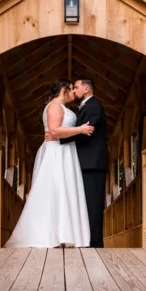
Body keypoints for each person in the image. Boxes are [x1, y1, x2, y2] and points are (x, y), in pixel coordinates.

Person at [4, 79, 94, 248]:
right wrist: (80, 129)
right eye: (71, 89)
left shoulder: (63, 108)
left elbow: (57, 132)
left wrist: (69, 133)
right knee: (55, 189)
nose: (74, 93)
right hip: (56, 153)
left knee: (63, 190)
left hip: (65, 151)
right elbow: (54, 131)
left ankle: (64, 233)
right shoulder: (54, 106)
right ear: (62, 90)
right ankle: (53, 234)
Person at [48, 78, 108, 248]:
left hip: (92, 163)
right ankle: (86, 239)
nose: (74, 91)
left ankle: (95, 242)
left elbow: (86, 132)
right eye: (72, 88)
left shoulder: (94, 106)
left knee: (93, 204)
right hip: (85, 163)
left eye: (76, 87)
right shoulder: (86, 106)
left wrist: (57, 136)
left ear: (86, 89)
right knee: (86, 203)